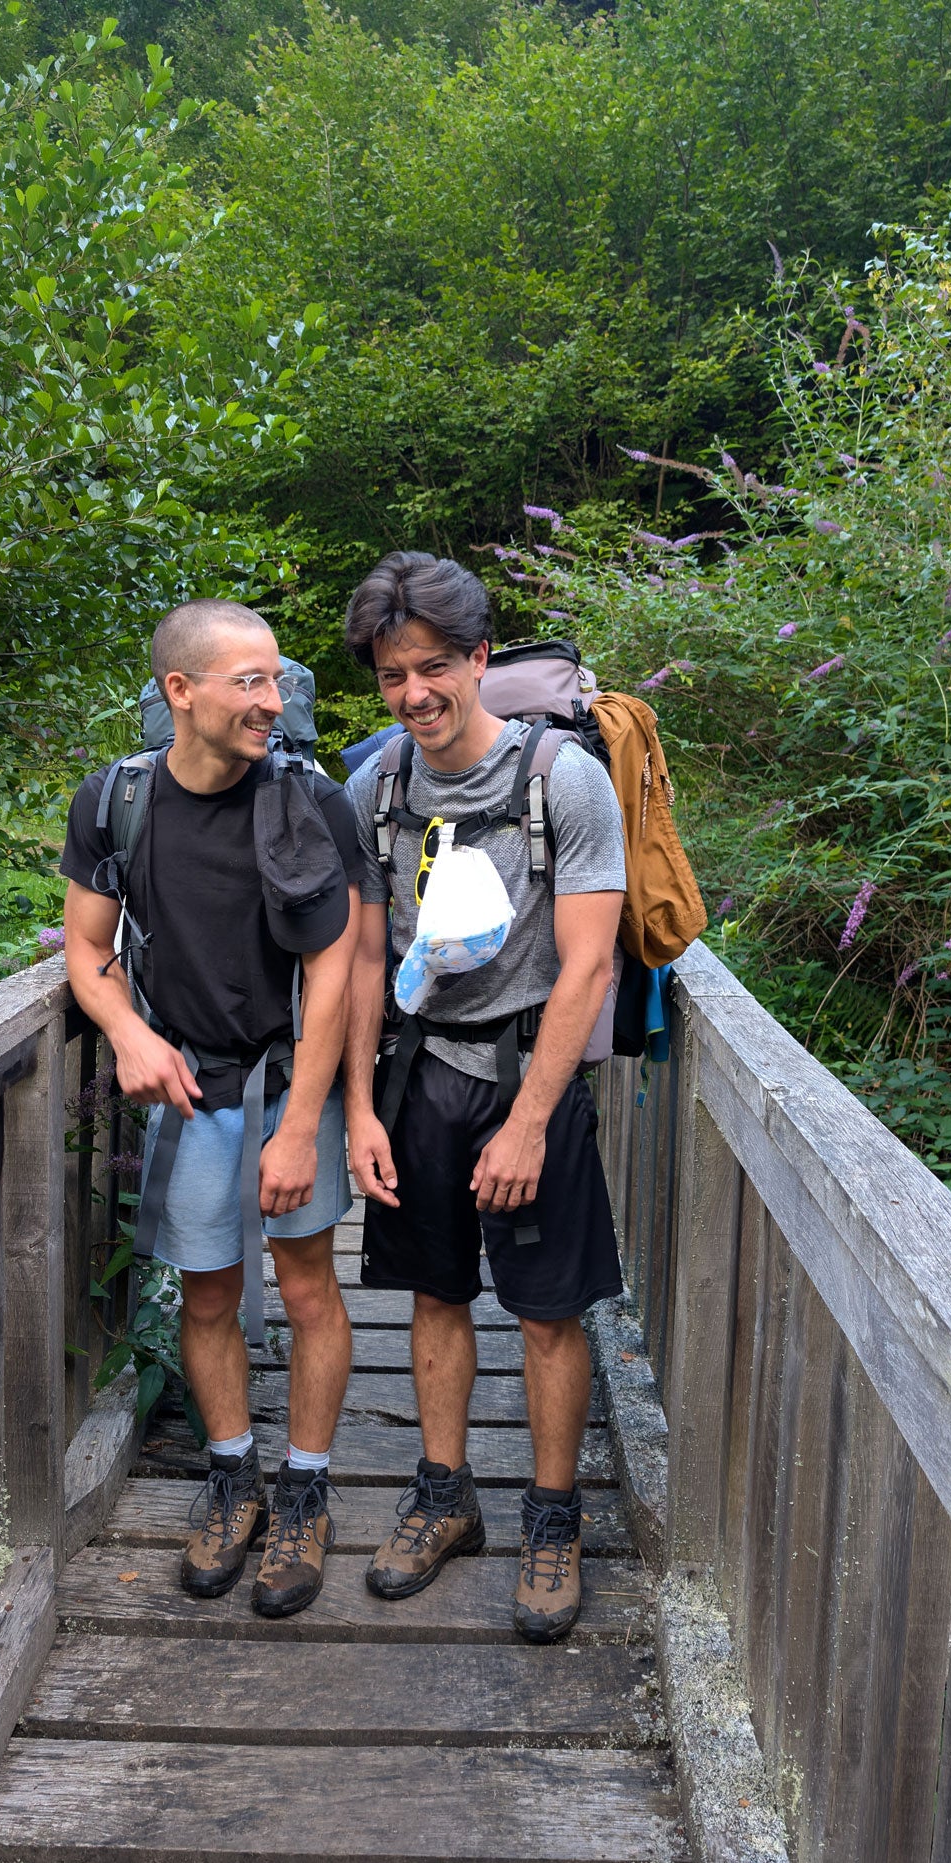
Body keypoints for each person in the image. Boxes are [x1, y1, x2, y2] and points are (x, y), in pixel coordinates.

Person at [342, 552, 626, 1644]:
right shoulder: (380, 789)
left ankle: (553, 1521)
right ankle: (444, 1496)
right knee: (433, 1292)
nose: (414, 694)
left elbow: (588, 964)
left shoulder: (563, 780)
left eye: (433, 669)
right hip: (418, 1075)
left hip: (531, 1075)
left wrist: (529, 1120)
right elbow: (367, 959)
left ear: (479, 659)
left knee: (550, 1311)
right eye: (391, 676)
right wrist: (363, 1110)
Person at [62, 599, 361, 1618]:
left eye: (277, 682)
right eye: (249, 683)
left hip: (291, 1080)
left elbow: (337, 975)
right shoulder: (117, 803)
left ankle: (307, 1488)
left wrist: (298, 1123)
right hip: (191, 1081)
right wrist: (128, 1032)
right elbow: (86, 952)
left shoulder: (313, 804)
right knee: (206, 1295)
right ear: (180, 692)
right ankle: (231, 1473)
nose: (271, 703)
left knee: (311, 1289)